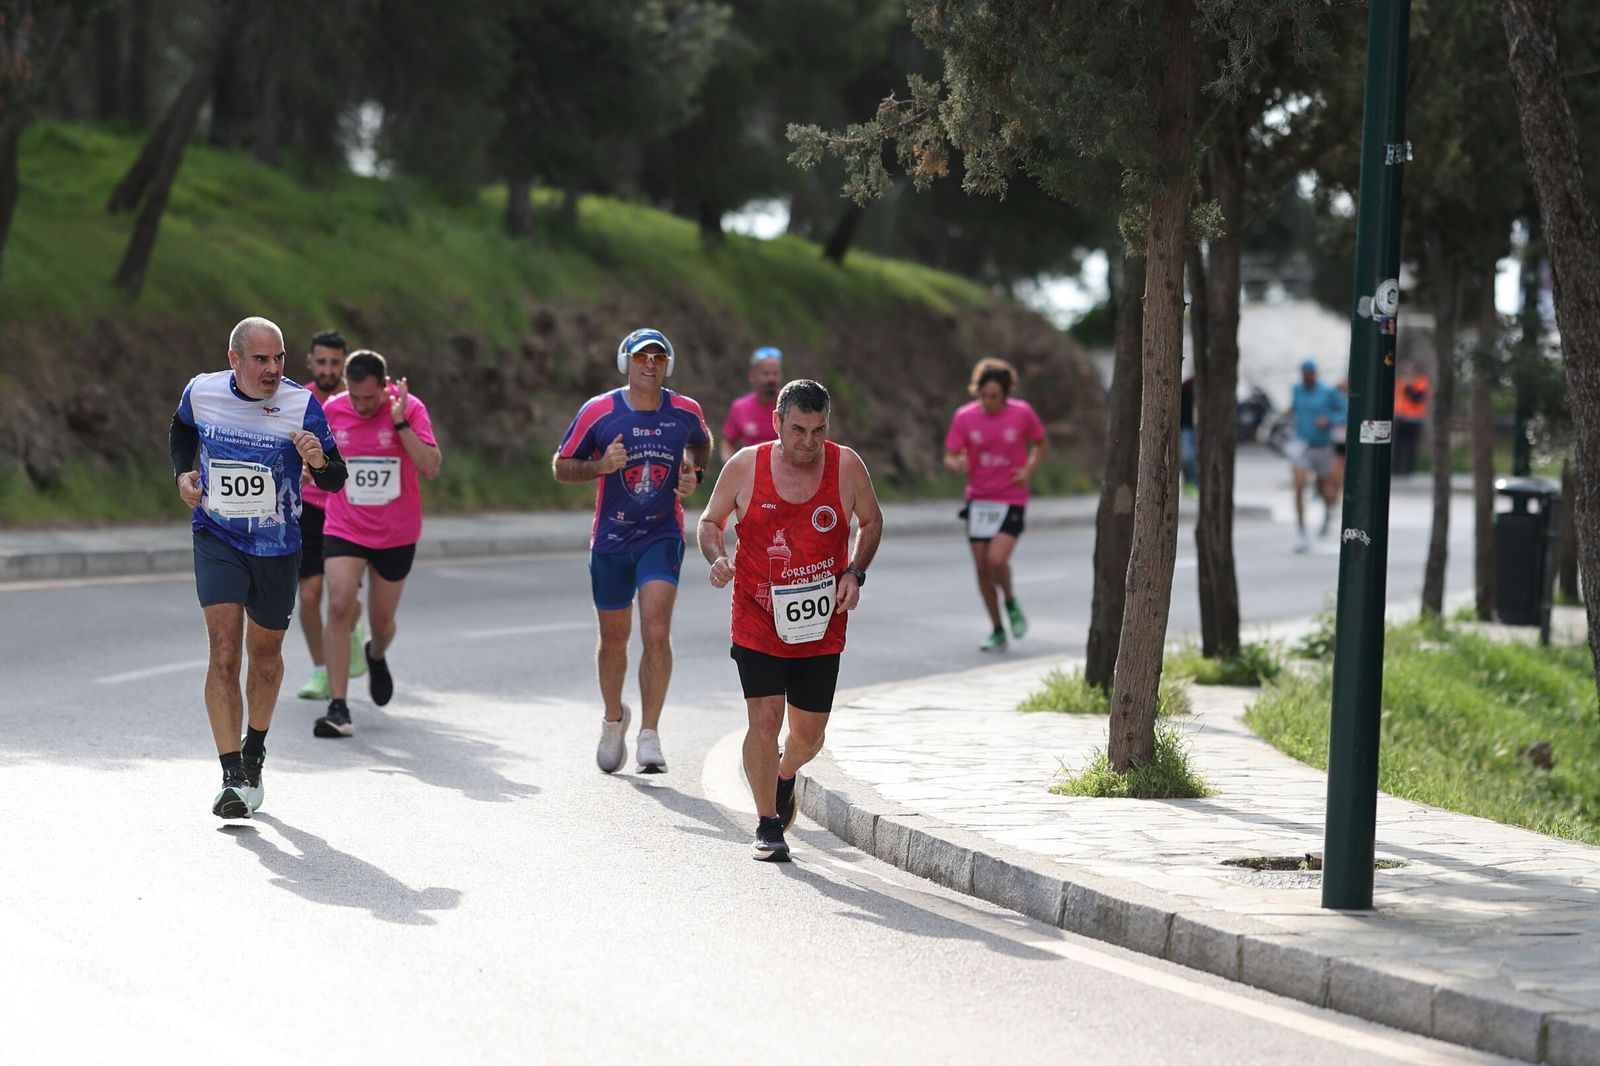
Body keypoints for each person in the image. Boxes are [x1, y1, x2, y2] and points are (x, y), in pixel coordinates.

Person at [170, 315, 347, 818]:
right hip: (217, 535)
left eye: (279, 359)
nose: (272, 369)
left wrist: (317, 462)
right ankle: (231, 776)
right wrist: (183, 473)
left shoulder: (300, 404)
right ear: (234, 359)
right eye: (261, 359)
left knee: (264, 656)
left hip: (277, 547)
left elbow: (336, 478)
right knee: (224, 650)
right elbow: (181, 428)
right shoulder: (202, 392)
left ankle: (255, 751)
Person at [699, 379, 883, 860]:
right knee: (764, 718)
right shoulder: (745, 466)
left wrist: (855, 572)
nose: (807, 442)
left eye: (818, 430)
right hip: (757, 613)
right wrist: (716, 557)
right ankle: (766, 824)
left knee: (808, 736)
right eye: (797, 429)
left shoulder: (845, 466)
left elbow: (872, 520)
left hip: (821, 623)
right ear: (776, 422)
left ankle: (784, 774)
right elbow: (708, 521)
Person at [553, 328, 712, 774]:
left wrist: (694, 474)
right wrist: (601, 466)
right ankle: (612, 718)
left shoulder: (685, 411)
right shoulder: (599, 412)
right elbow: (561, 466)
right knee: (614, 640)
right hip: (611, 540)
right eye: (642, 357)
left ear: (668, 365)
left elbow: (701, 442)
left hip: (661, 533)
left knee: (656, 630)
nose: (650, 365)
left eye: (659, 358)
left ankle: (650, 734)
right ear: (627, 362)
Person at [313, 349, 443, 738]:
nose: (362, 405)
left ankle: (376, 653)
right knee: (338, 604)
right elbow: (318, 463)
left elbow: (431, 467)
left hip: (395, 533)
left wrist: (401, 424)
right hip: (345, 525)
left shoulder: (409, 408)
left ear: (385, 388)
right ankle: (338, 707)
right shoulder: (333, 410)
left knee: (382, 623)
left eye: (370, 398)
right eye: (356, 396)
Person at [942, 357, 1048, 652]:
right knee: (981, 567)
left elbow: (1041, 443)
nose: (988, 402)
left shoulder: (1022, 413)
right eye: (983, 395)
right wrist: (957, 463)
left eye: (994, 397)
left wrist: (1027, 469)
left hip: (1011, 497)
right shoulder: (964, 416)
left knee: (996, 560)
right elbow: (951, 455)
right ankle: (997, 628)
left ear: (1006, 394)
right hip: (979, 499)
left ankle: (1011, 601)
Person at [294, 329, 367, 700]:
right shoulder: (297, 401)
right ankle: (321, 670)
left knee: (344, 601)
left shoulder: (359, 402)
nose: (327, 368)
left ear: (345, 363)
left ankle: (351, 629)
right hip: (305, 509)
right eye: (320, 361)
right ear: (310, 362)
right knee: (309, 595)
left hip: (347, 510)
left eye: (335, 362)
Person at [1289, 358, 1348, 553]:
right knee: (1298, 485)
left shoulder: (1327, 392)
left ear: (1316, 373)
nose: (1307, 376)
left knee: (1324, 488)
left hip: (1323, 446)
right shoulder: (1297, 390)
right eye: (1304, 372)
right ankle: (1301, 532)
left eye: (1310, 372)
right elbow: (1295, 409)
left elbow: (1345, 410)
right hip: (1302, 444)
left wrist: (1329, 420)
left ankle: (1328, 512)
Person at [719, 346, 783, 461]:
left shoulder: (791, 405)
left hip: (785, 472)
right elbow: (728, 442)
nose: (771, 379)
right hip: (751, 473)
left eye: (775, 373)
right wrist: (730, 464)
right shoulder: (740, 407)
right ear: (752, 377)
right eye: (766, 374)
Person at [1393, 359, 1429, 477]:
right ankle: (1396, 468)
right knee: (1397, 444)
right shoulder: (1401, 382)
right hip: (1400, 417)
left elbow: (1415, 399)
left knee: (1410, 445)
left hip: (1414, 419)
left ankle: (1409, 469)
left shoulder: (1421, 383)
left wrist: (1409, 386)